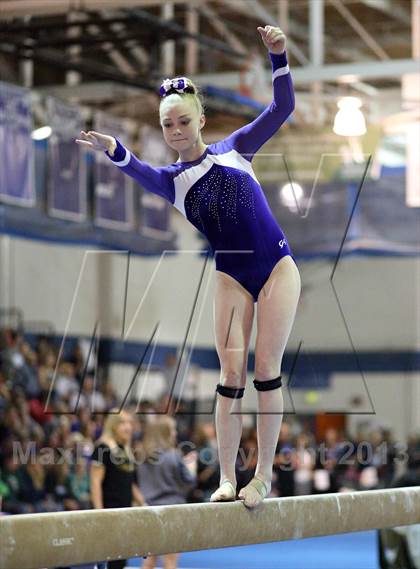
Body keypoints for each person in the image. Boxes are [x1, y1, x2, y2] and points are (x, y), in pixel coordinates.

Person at [76, 25, 301, 509]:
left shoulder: (236, 149)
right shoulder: (172, 181)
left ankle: (262, 476)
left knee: (265, 369)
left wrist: (279, 57)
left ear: (201, 120)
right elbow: (135, 166)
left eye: (183, 121)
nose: (175, 132)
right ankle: (225, 477)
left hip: (278, 266)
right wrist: (114, 149)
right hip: (231, 274)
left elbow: (281, 109)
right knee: (229, 375)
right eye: (167, 126)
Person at [135, 416, 196, 569]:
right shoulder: (173, 455)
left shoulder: (142, 456)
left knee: (150, 560)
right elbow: (189, 481)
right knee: (170, 561)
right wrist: (191, 465)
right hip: (173, 511)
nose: (175, 433)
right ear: (166, 433)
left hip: (149, 511)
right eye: (173, 430)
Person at [90, 410, 146, 569]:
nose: (128, 427)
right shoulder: (102, 448)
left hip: (124, 511)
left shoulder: (125, 449)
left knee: (121, 559)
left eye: (129, 423)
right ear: (113, 426)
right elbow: (95, 483)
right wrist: (99, 513)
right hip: (109, 510)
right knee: (109, 560)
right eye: (123, 423)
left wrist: (143, 504)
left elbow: (129, 482)